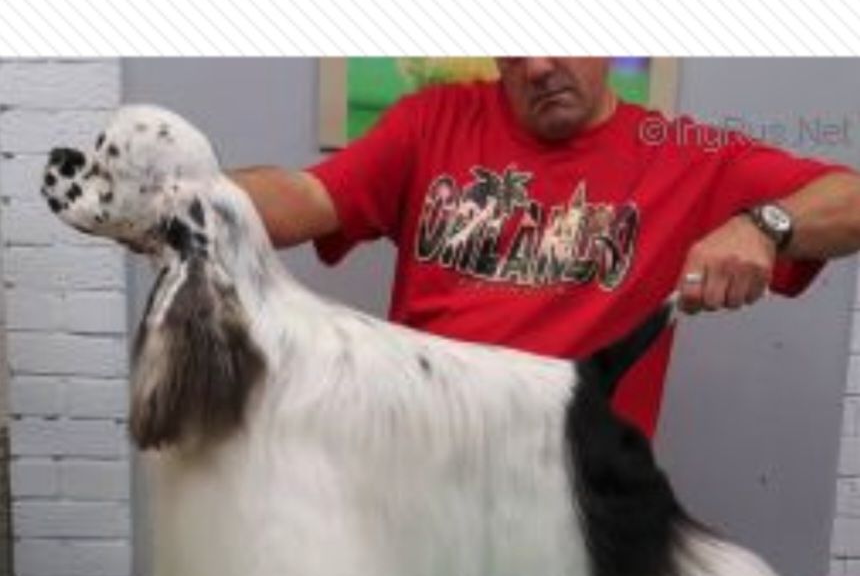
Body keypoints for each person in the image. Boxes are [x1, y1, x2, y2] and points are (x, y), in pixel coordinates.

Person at [230, 58, 860, 437]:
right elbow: (306, 198)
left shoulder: (684, 155)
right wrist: (191, 193)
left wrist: (764, 225)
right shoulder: (431, 122)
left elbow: (851, 198)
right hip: (421, 474)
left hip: (573, 493)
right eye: (513, 50)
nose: (535, 66)